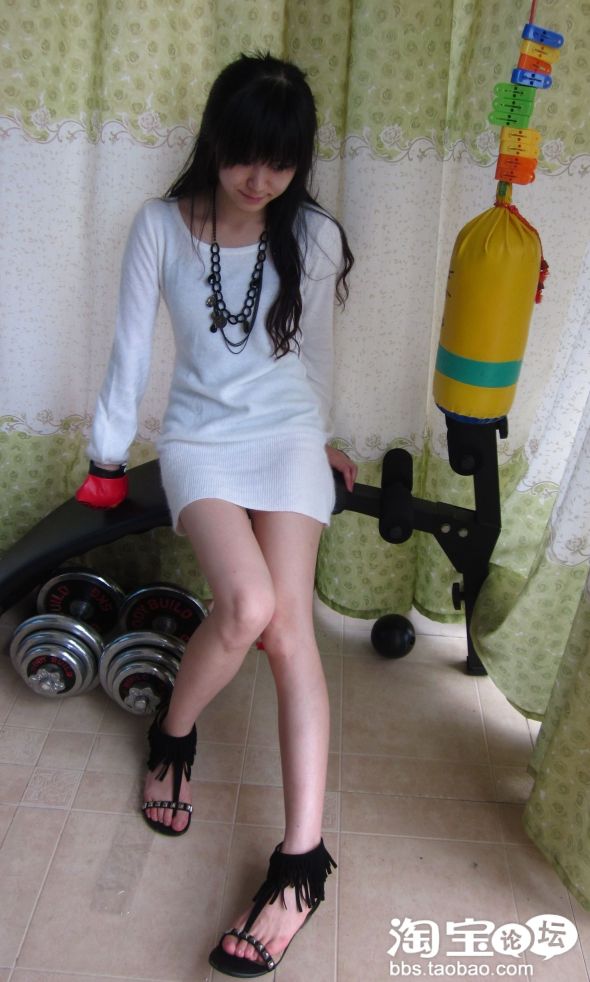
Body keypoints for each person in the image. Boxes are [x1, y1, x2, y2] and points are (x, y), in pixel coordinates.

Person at [76, 52, 356, 978]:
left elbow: (314, 357)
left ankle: (302, 866)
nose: (259, 178)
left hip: (287, 436)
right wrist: (107, 458)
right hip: (199, 438)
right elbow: (129, 353)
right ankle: (174, 733)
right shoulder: (160, 225)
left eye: (280, 161)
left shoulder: (311, 233)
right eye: (244, 155)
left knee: (288, 632)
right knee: (245, 607)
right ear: (214, 141)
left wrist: (323, 439)